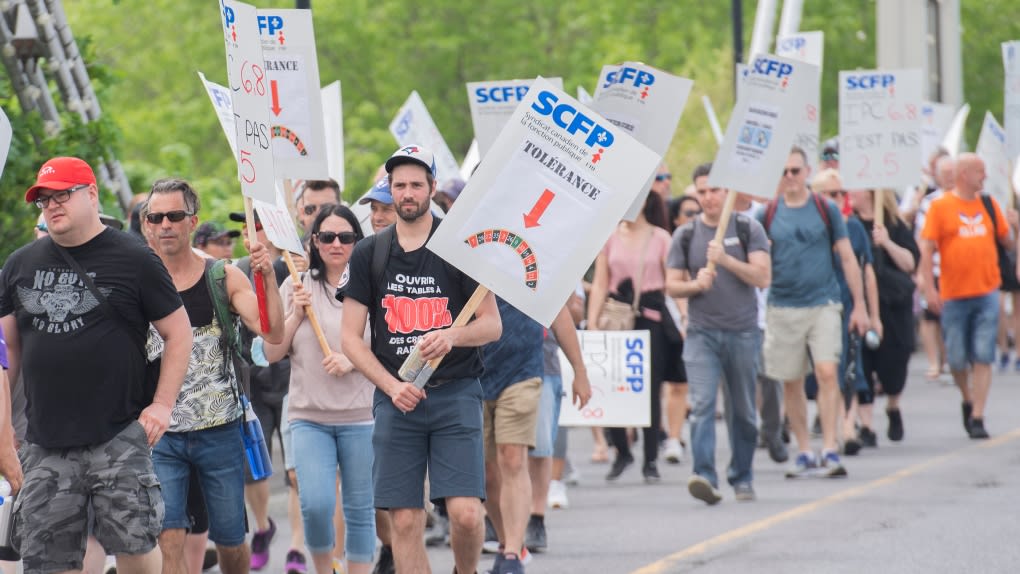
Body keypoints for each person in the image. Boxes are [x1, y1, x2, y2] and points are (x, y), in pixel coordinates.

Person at [0, 157, 193, 573]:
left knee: (136, 546)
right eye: (44, 199)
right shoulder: (20, 265)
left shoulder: (135, 258)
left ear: (91, 194)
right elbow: (5, 356)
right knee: (45, 558)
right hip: (45, 440)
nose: (52, 205)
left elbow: (179, 333)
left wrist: (161, 406)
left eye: (62, 195)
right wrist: (3, 433)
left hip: (118, 433)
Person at [340, 145, 502, 574]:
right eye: (399, 186)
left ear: (432, 187)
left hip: (457, 394)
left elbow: (491, 326)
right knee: (406, 519)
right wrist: (392, 387)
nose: (407, 193)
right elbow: (351, 341)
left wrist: (452, 335)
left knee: (467, 515)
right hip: (397, 400)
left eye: (416, 184)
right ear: (389, 192)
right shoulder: (369, 253)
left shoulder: (461, 247)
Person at [143, 178, 285, 574]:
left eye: (175, 215)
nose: (165, 224)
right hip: (162, 433)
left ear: (193, 221)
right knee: (168, 535)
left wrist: (268, 280)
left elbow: (271, 332)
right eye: (156, 217)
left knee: (230, 539)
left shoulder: (222, 276)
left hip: (219, 431)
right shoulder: (137, 280)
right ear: (147, 225)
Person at [264, 204, 375, 574]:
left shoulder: (372, 285)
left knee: (360, 506)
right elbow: (271, 352)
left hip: (362, 416)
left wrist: (353, 359)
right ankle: (325, 568)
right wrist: (295, 313)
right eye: (327, 237)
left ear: (358, 242)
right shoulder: (296, 284)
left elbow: (388, 349)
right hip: (309, 417)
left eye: (345, 237)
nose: (336, 244)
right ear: (314, 241)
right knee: (315, 503)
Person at [758, 147, 869, 479]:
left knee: (826, 372)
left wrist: (860, 305)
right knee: (791, 380)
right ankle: (805, 450)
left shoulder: (826, 208)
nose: (790, 177)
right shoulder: (767, 213)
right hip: (782, 305)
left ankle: (831, 448)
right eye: (784, 172)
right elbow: (757, 260)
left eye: (795, 170)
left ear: (807, 171)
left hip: (824, 302)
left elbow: (848, 258)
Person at [667, 163, 771, 504]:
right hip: (701, 333)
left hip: (742, 332)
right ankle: (705, 475)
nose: (708, 197)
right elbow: (671, 284)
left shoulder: (747, 228)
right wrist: (695, 285)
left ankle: (742, 476)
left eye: (714, 190)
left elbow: (762, 277)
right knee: (702, 405)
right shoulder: (684, 235)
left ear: (727, 192)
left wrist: (725, 260)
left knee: (742, 409)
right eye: (702, 191)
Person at [481, 300, 591, 573]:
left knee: (513, 458)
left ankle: (510, 556)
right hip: (474, 371)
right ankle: (509, 541)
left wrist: (580, 370)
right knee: (487, 473)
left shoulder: (533, 260)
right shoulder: (468, 257)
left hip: (523, 371)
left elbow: (558, 310)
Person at [588, 187, 680, 483]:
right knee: (612, 386)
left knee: (649, 389)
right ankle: (621, 451)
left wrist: (684, 314)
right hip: (616, 319)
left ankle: (651, 458)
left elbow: (672, 282)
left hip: (651, 320)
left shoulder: (660, 238)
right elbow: (601, 283)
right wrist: (592, 322)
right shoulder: (610, 236)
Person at [920, 153, 1007, 439]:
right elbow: (927, 248)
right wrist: (928, 288)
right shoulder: (941, 207)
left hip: (986, 292)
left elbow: (1007, 240)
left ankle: (978, 416)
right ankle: (967, 398)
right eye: (980, 172)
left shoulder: (989, 204)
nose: (984, 177)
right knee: (956, 359)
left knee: (983, 354)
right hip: (954, 294)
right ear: (964, 174)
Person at [810, 171, 880, 454]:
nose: (839, 199)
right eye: (831, 194)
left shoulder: (854, 228)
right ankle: (831, 425)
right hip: (815, 306)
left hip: (847, 306)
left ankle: (848, 427)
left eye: (842, 193)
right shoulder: (810, 227)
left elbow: (866, 272)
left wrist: (870, 313)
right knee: (826, 371)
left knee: (849, 369)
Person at [849, 188, 919, 442]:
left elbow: (911, 263)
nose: (850, 194)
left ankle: (893, 405)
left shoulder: (894, 224)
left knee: (893, 364)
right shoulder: (850, 224)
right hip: (862, 303)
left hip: (893, 304)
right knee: (861, 364)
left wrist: (887, 242)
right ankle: (866, 425)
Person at [915, 155, 954, 381]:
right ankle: (933, 361)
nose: (949, 177)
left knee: (949, 317)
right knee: (930, 316)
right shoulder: (930, 202)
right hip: (935, 267)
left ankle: (950, 360)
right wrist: (921, 273)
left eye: (952, 172)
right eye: (945, 173)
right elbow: (922, 239)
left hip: (957, 271)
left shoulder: (969, 199)